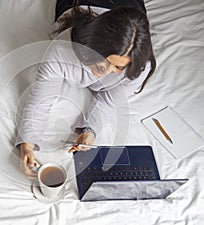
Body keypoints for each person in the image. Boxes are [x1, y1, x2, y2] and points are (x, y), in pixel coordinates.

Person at [16, 0, 156, 179]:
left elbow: (108, 101)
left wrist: (90, 131)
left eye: (118, 67)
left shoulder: (138, 65)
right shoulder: (61, 50)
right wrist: (27, 144)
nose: (106, 71)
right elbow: (41, 101)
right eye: (104, 60)